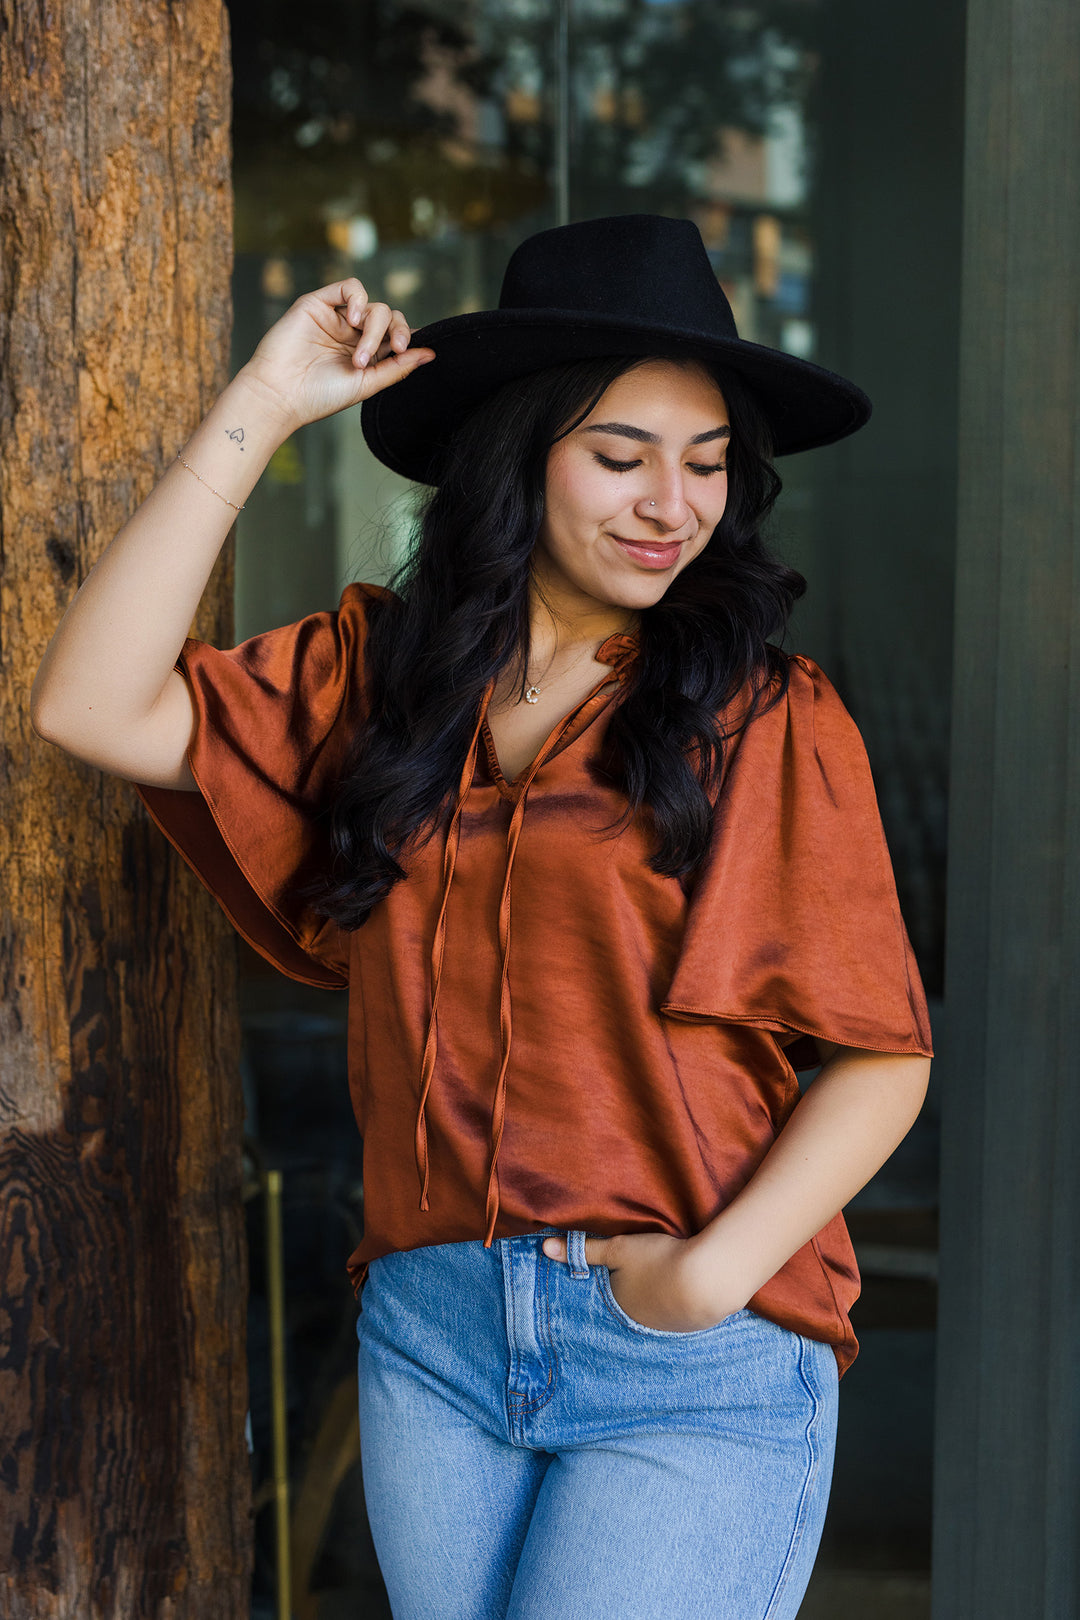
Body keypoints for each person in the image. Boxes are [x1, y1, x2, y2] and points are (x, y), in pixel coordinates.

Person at [31, 215, 933, 1620]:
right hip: (435, 1336)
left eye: (707, 467)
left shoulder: (762, 715)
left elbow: (883, 1053)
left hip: (679, 1348)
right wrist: (260, 409)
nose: (671, 506)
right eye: (621, 458)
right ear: (520, 457)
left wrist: (706, 1283)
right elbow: (87, 703)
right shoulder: (378, 679)